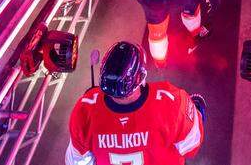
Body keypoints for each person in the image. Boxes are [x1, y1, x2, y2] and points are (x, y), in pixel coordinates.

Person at [66, 41, 204, 165]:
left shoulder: (84, 110)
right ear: (141, 77)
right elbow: (191, 147)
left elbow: (77, 162)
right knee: (191, 116)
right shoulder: (172, 100)